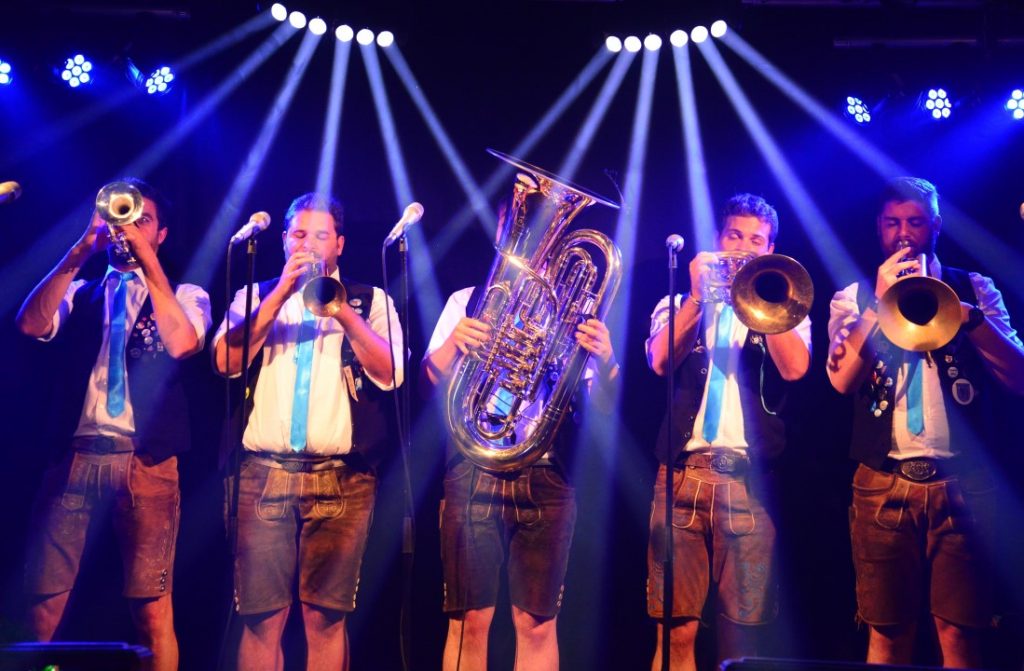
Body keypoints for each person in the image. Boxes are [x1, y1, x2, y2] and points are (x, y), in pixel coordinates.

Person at [826, 177, 1024, 667]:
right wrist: (877, 306)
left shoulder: (974, 287)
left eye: (914, 222)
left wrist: (971, 319)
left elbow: (1019, 378)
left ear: (935, 225)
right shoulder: (853, 296)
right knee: (888, 634)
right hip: (882, 483)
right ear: (879, 227)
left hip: (963, 484)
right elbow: (840, 380)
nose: (903, 234)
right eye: (893, 223)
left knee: (959, 636)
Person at [15, 178, 211, 671]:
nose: (130, 229)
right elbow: (31, 325)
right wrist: (83, 247)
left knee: (152, 609)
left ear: (162, 234)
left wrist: (146, 262)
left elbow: (182, 344)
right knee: (43, 604)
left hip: (147, 463)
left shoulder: (186, 293)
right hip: (75, 456)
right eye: (124, 218)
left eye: (144, 221)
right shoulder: (81, 290)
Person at [212, 192, 403, 671]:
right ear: (283, 240)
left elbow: (392, 373)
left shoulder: (370, 300)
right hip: (260, 475)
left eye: (320, 235)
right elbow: (225, 361)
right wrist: (279, 295)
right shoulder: (254, 296)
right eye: (299, 234)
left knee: (326, 620)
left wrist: (341, 310)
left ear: (339, 243)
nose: (309, 244)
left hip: (343, 478)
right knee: (261, 620)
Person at [420, 216, 620, 671]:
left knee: (537, 624)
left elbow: (604, 406)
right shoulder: (468, 300)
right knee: (468, 620)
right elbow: (429, 381)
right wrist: (455, 343)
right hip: (474, 468)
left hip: (546, 472)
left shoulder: (577, 310)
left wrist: (607, 358)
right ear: (502, 231)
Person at [645, 194, 811, 671]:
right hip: (681, 478)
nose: (742, 247)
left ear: (770, 249)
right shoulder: (677, 303)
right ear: (718, 239)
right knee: (674, 630)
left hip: (749, 484)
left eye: (756, 241)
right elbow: (659, 361)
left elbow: (796, 369)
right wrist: (698, 298)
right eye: (734, 235)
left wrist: (767, 303)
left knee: (743, 636)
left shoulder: (788, 306)